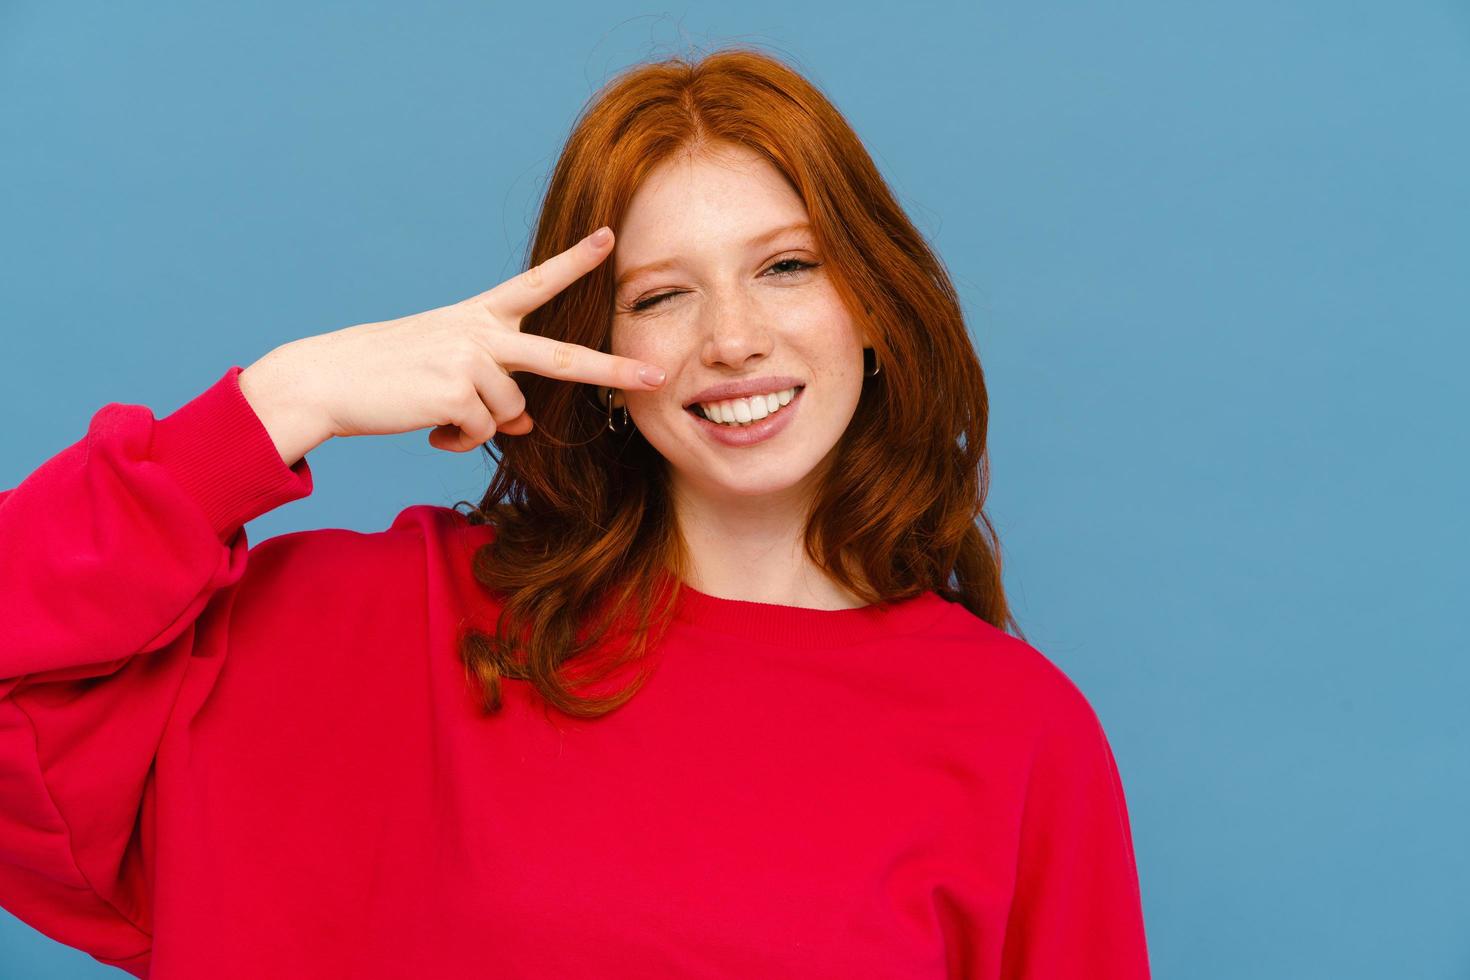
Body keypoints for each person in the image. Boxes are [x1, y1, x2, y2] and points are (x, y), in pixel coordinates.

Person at [0, 46, 1151, 978]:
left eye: (786, 267)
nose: (733, 337)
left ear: (872, 304)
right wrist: (282, 398)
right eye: (662, 294)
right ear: (593, 346)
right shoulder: (390, 625)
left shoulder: (1019, 735)